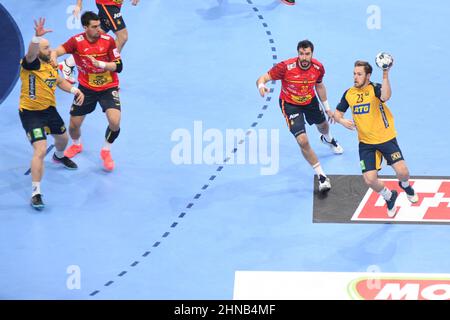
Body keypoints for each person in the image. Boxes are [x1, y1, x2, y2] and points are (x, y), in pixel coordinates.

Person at [256, 40, 343, 193]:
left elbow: (319, 85)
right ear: (298, 53)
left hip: (309, 100)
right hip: (290, 104)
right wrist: (261, 87)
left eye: (307, 54)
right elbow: (262, 78)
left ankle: (328, 139)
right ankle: (322, 176)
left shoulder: (318, 67)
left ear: (312, 54)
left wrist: (327, 108)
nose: (304, 57)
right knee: (303, 141)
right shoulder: (285, 67)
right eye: (301, 54)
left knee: (323, 126)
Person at [334, 60, 418, 217]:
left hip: (386, 138)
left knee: (403, 172)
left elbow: (386, 96)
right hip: (366, 144)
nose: (355, 77)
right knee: (370, 180)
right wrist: (342, 120)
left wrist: (386, 73)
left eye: (359, 74)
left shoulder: (375, 88)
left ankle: (405, 186)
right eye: (354, 74)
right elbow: (337, 113)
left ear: (368, 76)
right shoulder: (349, 94)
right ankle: (389, 196)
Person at [19, 18, 84, 210]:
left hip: (49, 110)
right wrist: (36, 38)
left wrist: (74, 90)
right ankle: (36, 193)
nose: (51, 51)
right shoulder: (30, 64)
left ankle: (58, 156)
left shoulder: (50, 65)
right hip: (31, 114)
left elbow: (59, 81)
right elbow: (30, 53)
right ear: (38, 52)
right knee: (39, 150)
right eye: (46, 48)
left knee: (63, 139)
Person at [50, 11, 123, 172]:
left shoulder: (108, 41)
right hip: (85, 89)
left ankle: (106, 150)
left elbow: (119, 66)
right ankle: (76, 145)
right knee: (73, 126)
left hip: (108, 87)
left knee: (115, 121)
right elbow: (56, 51)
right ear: (85, 27)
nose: (99, 29)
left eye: (99, 25)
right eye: (94, 27)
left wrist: (101, 64)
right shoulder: (76, 41)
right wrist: (54, 57)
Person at [59, 0, 139, 83]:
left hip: (114, 4)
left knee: (97, 33)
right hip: (108, 4)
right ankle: (108, 69)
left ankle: (68, 63)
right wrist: (79, 5)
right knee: (122, 37)